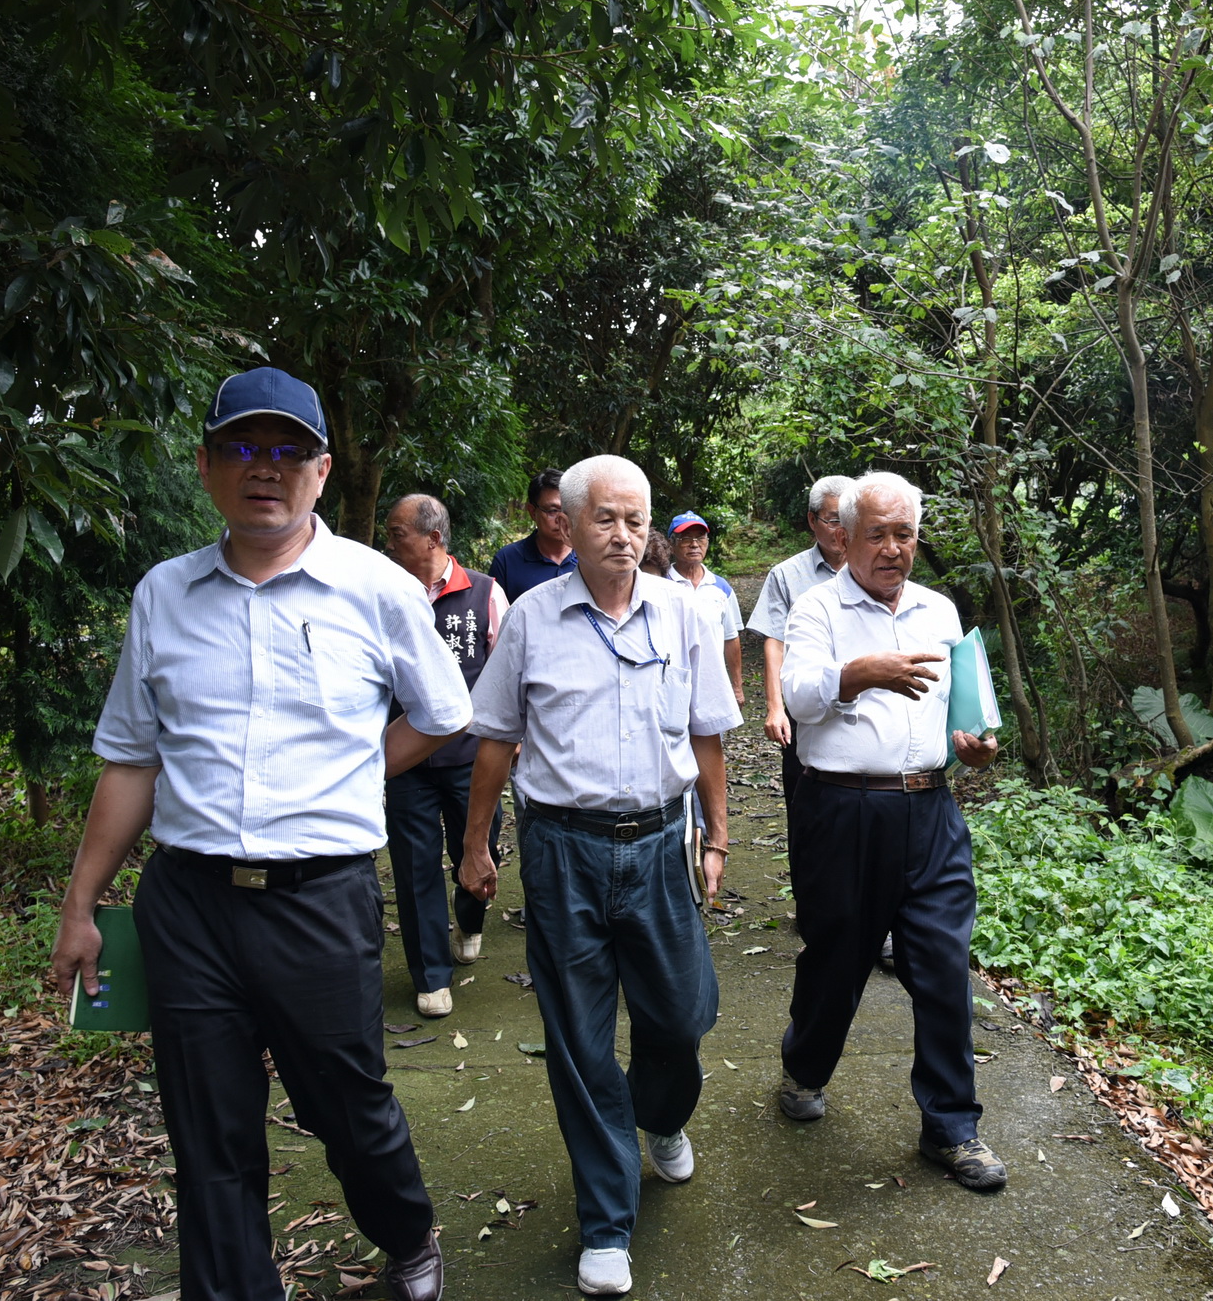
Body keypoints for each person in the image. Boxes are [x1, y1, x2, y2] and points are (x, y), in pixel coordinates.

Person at [49, 367, 469, 1301]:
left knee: (348, 1107)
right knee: (209, 1132)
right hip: (189, 903)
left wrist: (357, 773)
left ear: (321, 470)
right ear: (205, 466)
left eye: (286, 451)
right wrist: (81, 906)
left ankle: (406, 1232)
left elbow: (441, 713)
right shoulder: (164, 595)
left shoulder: (374, 587)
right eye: (241, 447)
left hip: (320, 901)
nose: (263, 469)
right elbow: (129, 760)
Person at [458, 455, 741, 1297]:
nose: (625, 535)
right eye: (606, 519)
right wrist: (476, 846)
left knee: (683, 1012)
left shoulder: (685, 613)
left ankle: (660, 1113)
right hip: (562, 852)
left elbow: (708, 734)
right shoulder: (533, 621)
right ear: (567, 524)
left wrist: (719, 836)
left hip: (659, 845)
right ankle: (608, 1222)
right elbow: (496, 741)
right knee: (580, 1042)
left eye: (636, 519)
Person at [775, 470, 1007, 1192]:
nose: (891, 547)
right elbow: (795, 697)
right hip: (843, 812)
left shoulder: (939, 610)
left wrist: (977, 744)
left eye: (903, 533)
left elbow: (972, 707)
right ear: (843, 534)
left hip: (930, 810)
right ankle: (804, 1065)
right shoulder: (817, 608)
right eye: (876, 532)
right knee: (838, 956)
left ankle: (952, 1127)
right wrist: (858, 673)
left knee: (941, 964)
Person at [382, 493, 511, 1019]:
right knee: (413, 867)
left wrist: (512, 738)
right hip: (405, 759)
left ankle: (471, 919)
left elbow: (506, 672)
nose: (388, 542)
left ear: (433, 539)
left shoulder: (484, 593)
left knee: (476, 848)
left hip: (471, 758)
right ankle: (430, 975)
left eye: (397, 533)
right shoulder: (384, 595)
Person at [746, 475, 853, 799]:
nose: (841, 530)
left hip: (863, 700)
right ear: (812, 520)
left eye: (848, 520)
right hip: (804, 701)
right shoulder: (786, 575)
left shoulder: (875, 571)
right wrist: (775, 707)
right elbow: (775, 643)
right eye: (833, 520)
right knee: (803, 796)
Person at [666, 511, 745, 707]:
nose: (694, 544)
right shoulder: (660, 584)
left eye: (700, 537)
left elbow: (731, 638)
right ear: (672, 544)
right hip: (668, 684)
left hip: (712, 684)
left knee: (711, 736)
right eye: (686, 538)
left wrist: (736, 687)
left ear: (707, 542)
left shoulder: (721, 588)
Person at [489, 469, 578, 601]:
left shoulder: (591, 557)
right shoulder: (507, 560)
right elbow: (495, 615)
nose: (562, 519)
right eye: (553, 511)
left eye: (568, 510)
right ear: (532, 512)